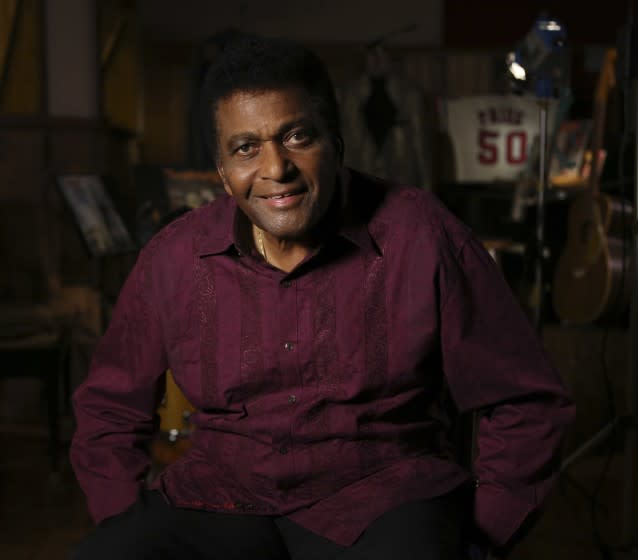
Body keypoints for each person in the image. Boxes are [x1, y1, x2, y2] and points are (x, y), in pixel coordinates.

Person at [69, 33, 575, 560]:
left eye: (295, 137)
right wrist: (122, 522)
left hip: (384, 498)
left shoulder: (422, 234)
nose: (274, 169)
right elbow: (109, 409)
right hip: (220, 498)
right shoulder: (173, 257)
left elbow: (525, 401)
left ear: (335, 144)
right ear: (221, 171)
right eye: (246, 148)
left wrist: (481, 539)